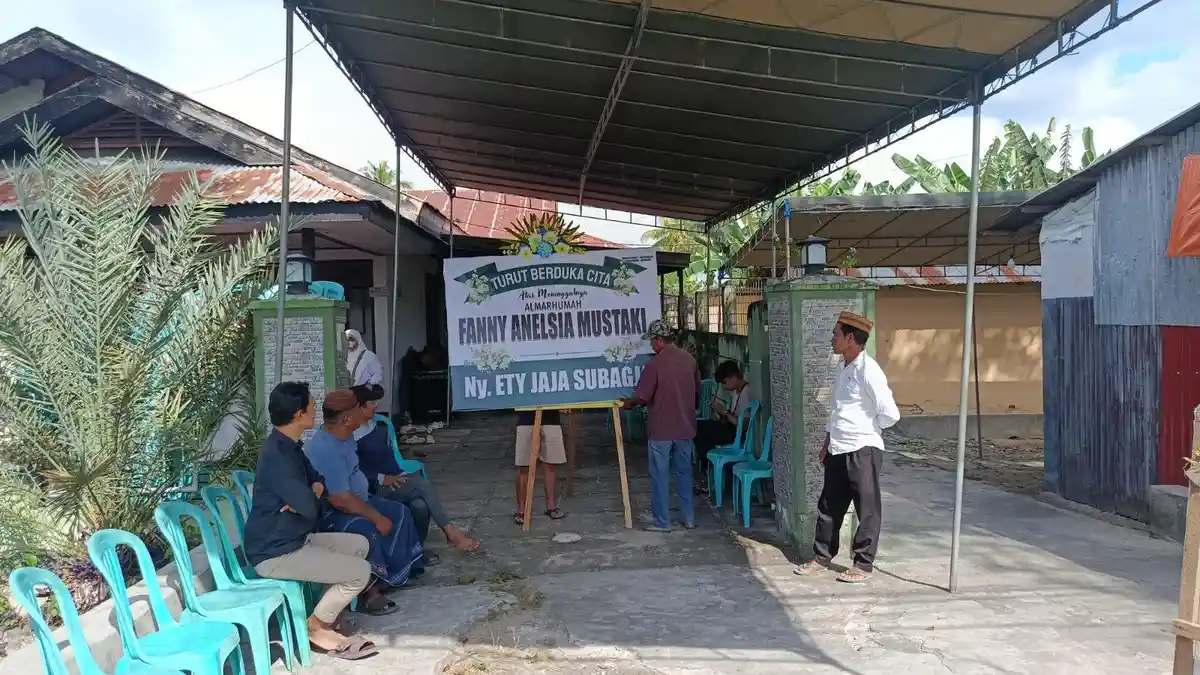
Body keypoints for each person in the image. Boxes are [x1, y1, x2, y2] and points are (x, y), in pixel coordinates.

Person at [242, 381, 378, 661]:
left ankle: (328, 616)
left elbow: (319, 483)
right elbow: (311, 508)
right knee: (359, 572)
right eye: (312, 405)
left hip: (295, 537)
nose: (317, 409)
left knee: (359, 545)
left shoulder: (290, 447)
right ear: (298, 414)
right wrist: (308, 497)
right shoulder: (276, 455)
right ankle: (317, 627)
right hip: (275, 551)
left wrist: (310, 494)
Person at [794, 311, 900, 584]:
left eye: (836, 334)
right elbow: (836, 412)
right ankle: (821, 557)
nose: (832, 339)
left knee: (867, 509)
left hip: (862, 450)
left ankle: (862, 564)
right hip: (838, 449)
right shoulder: (842, 368)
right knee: (829, 506)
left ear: (850, 338)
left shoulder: (869, 370)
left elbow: (890, 414)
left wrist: (867, 429)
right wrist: (827, 444)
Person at [304, 389, 424, 611]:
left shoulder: (346, 435)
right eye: (358, 408)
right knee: (364, 527)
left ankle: (393, 575)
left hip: (358, 500)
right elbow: (340, 499)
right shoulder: (325, 448)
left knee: (399, 512)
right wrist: (376, 517)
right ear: (346, 418)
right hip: (331, 512)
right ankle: (369, 592)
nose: (365, 412)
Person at [350, 383, 481, 555]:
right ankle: (451, 533)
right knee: (421, 484)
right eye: (371, 403)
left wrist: (401, 473)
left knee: (420, 506)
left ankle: (414, 551)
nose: (376, 406)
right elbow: (352, 470)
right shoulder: (351, 434)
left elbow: (388, 458)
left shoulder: (377, 425)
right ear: (359, 407)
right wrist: (381, 478)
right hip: (375, 487)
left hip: (397, 480)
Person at [620, 320, 701, 532]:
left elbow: (642, 397)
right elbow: (697, 394)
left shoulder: (654, 365)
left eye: (652, 342)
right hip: (685, 428)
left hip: (661, 431)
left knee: (660, 477)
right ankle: (689, 518)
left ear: (659, 340)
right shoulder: (690, 360)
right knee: (684, 474)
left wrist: (629, 403)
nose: (651, 346)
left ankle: (663, 522)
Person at [694, 361, 755, 489]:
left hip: (738, 435)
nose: (724, 386)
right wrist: (721, 412)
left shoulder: (746, 392)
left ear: (734, 377)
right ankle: (710, 468)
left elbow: (744, 425)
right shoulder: (735, 392)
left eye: (724, 382)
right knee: (699, 427)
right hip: (731, 429)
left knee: (702, 430)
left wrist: (724, 412)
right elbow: (732, 415)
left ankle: (709, 470)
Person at [513, 408, 567, 525]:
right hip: (526, 417)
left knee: (550, 463)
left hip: (551, 417)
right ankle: (521, 509)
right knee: (523, 466)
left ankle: (551, 506)